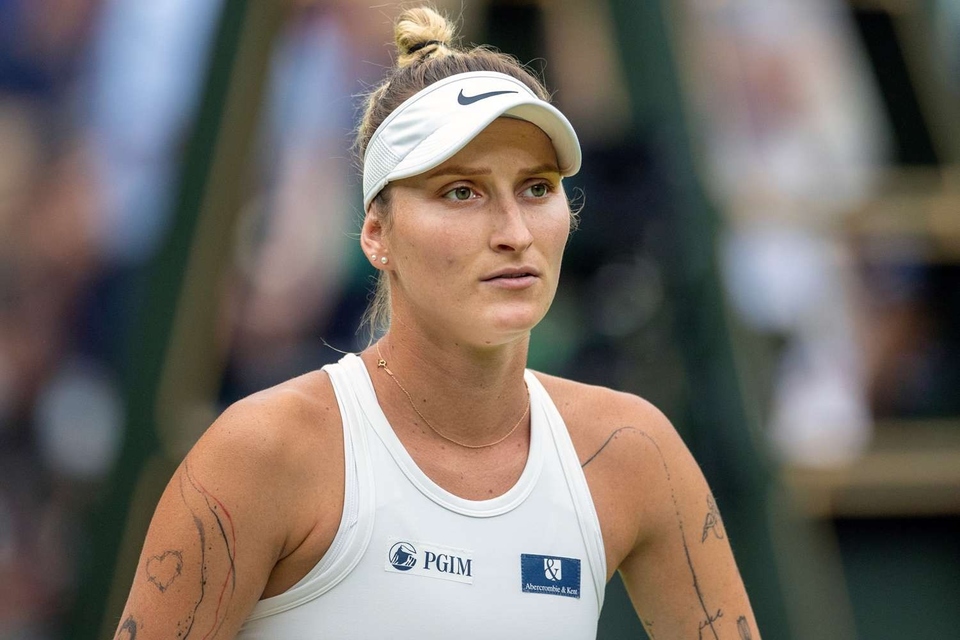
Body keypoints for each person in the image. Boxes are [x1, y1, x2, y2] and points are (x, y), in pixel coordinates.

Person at [114, 6, 761, 639]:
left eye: (537, 188)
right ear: (377, 234)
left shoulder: (634, 452)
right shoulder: (263, 451)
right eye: (462, 192)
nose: (514, 233)